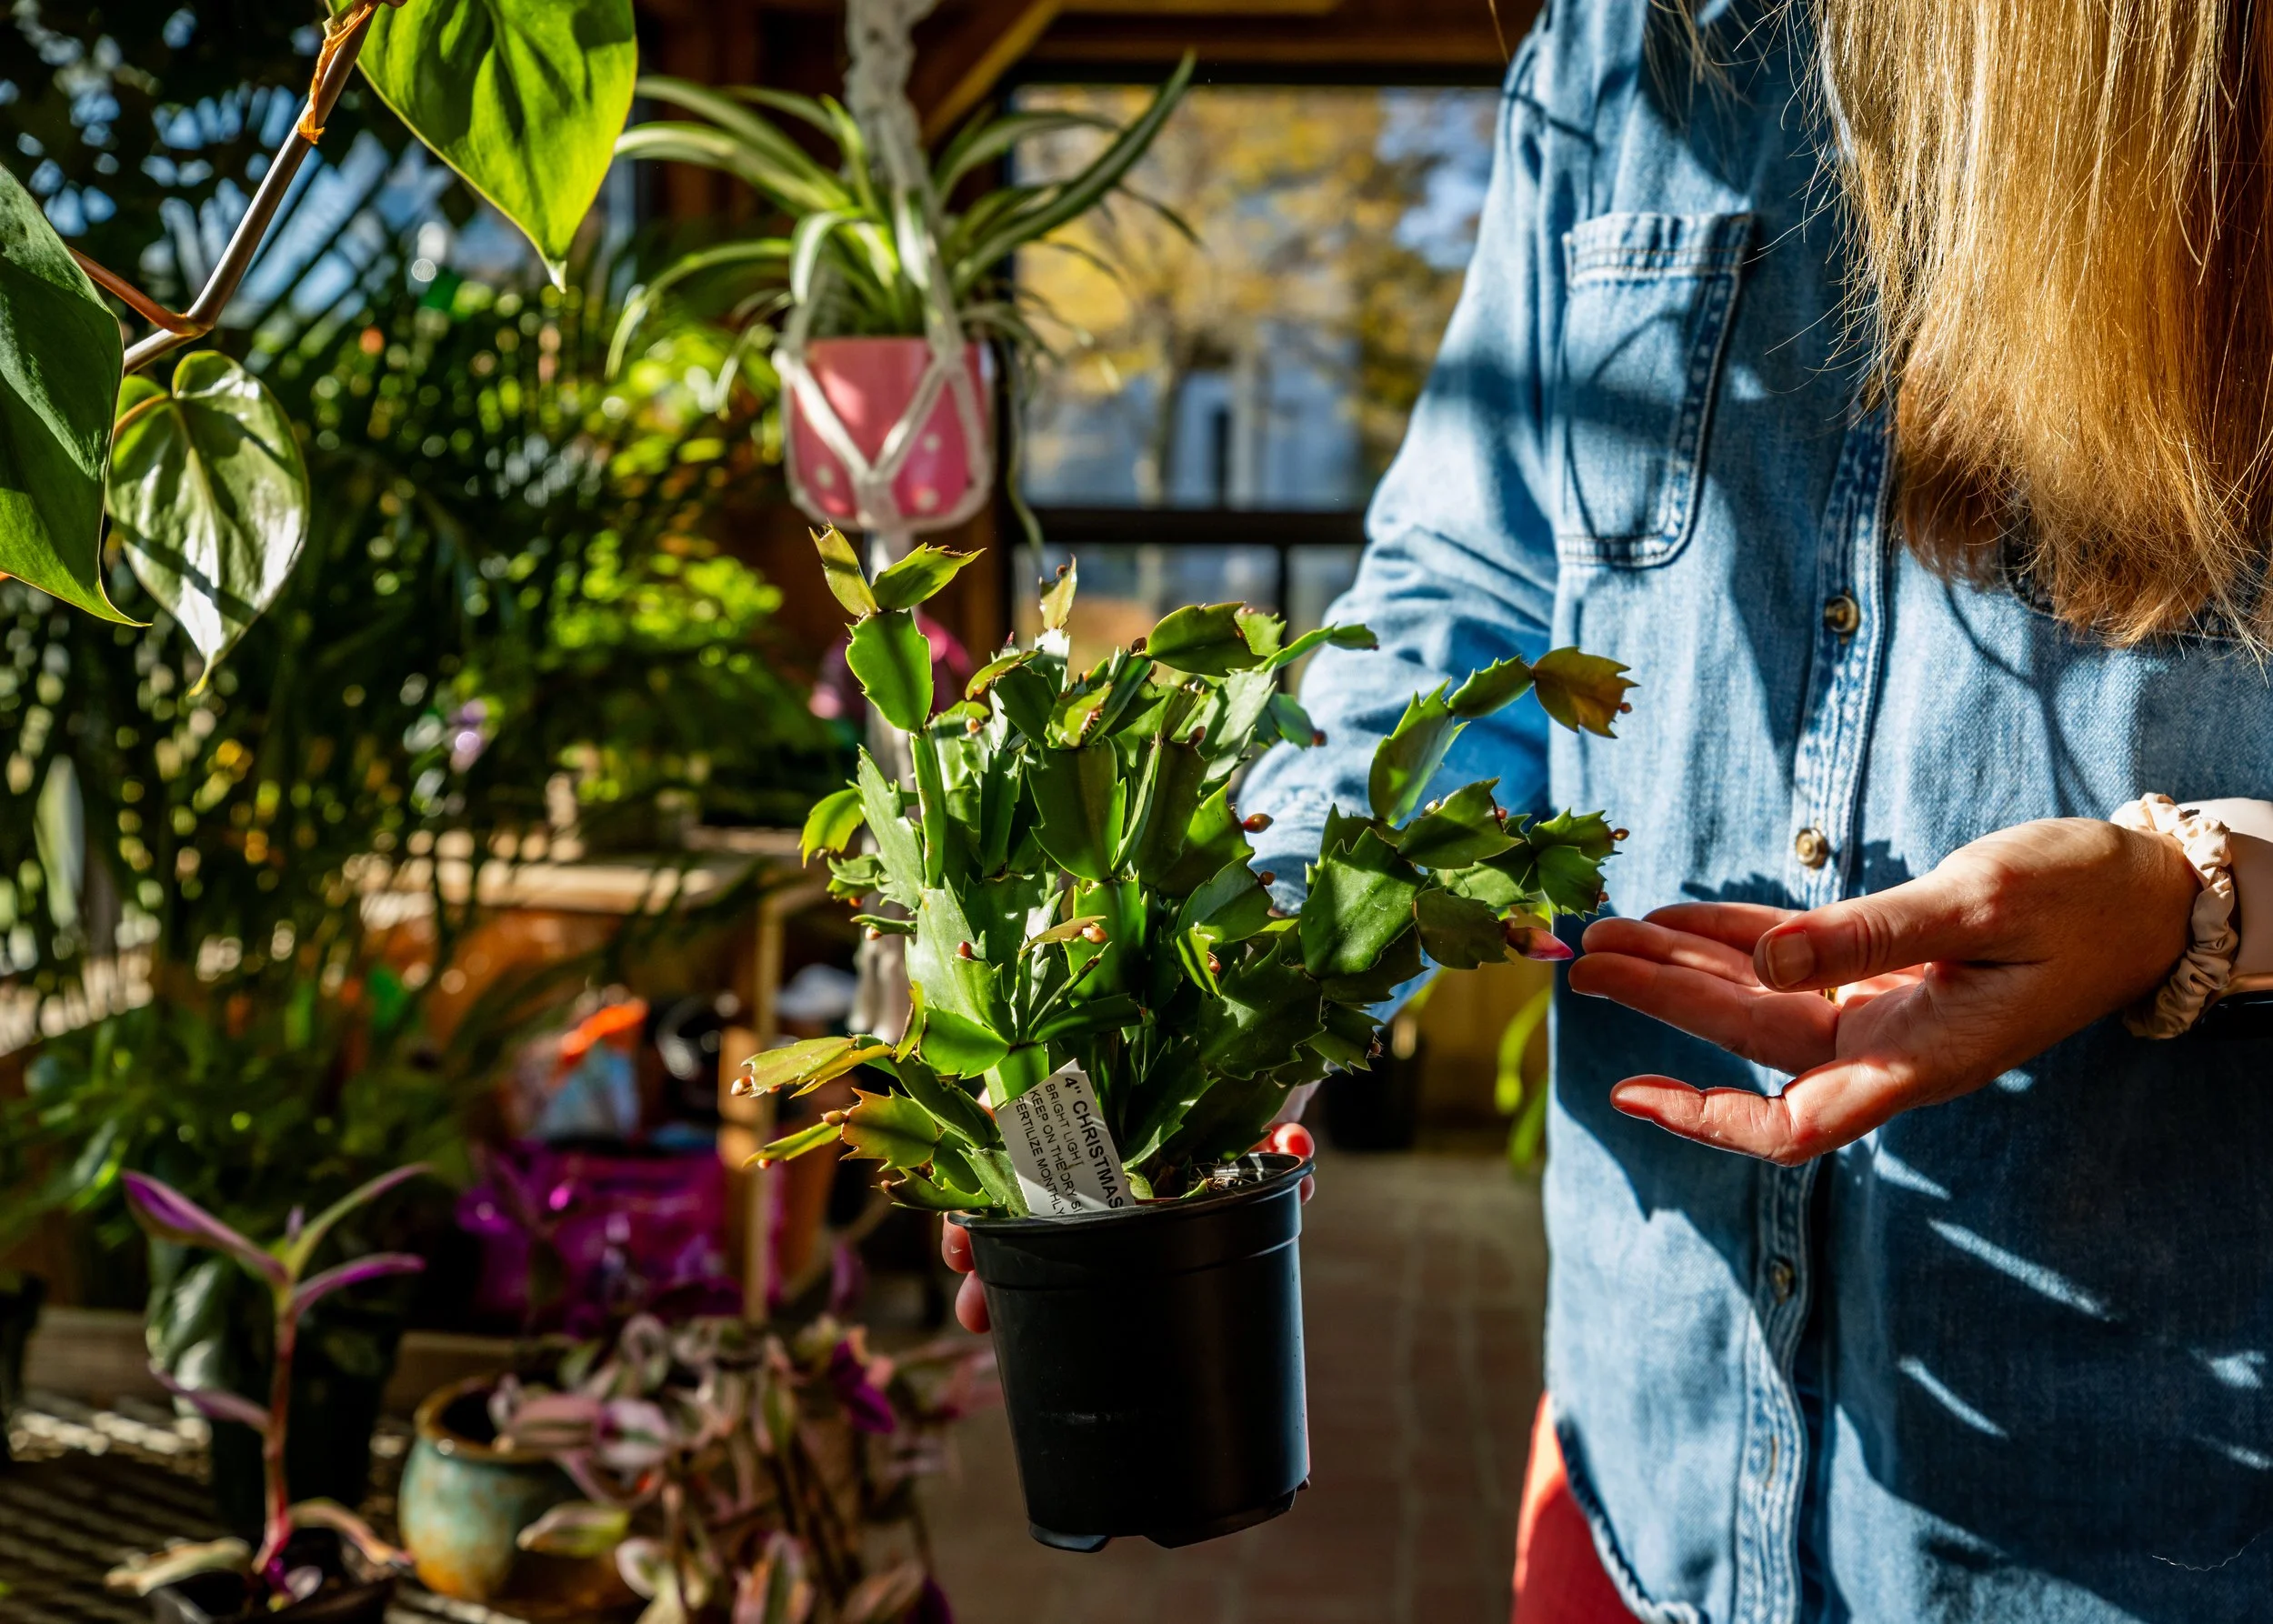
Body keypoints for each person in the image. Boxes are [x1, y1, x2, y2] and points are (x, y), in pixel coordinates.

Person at [948, 0, 2273, 1616]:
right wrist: (1223, 1008)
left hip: (2151, 1523)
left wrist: (2197, 892)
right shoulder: (1626, 53)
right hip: (1644, 1478)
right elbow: (1471, 597)